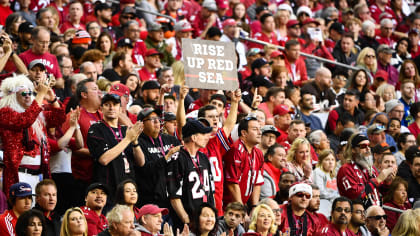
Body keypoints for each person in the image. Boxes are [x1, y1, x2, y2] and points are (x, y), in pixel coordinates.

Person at [0, 74, 64, 195]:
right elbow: (24, 121)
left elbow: (58, 118)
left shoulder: (36, 113)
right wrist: (40, 95)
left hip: (38, 174)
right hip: (18, 174)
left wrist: (53, 99)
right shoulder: (5, 112)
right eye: (24, 93)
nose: (29, 96)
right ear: (13, 95)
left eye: (31, 93)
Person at [87, 93, 145, 200]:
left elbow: (141, 162)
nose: (111, 107)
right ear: (101, 109)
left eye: (115, 104)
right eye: (107, 104)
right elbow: (104, 159)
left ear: (120, 109)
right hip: (108, 188)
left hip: (128, 185)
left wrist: (135, 142)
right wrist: (127, 139)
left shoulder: (125, 130)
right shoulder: (96, 129)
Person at [167, 119, 214, 228]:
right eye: (202, 134)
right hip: (189, 223)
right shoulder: (178, 158)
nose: (206, 137)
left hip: (206, 221)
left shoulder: (203, 158)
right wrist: (186, 221)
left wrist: (213, 216)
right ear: (193, 137)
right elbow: (174, 196)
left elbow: (211, 192)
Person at [135, 107, 181, 209]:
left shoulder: (171, 140)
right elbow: (145, 169)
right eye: (151, 119)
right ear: (141, 124)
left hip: (174, 198)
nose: (156, 121)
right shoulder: (138, 143)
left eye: (157, 118)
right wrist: (167, 157)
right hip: (150, 202)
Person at [337, 133, 396, 208]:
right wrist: (378, 180)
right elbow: (357, 197)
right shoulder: (345, 170)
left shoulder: (371, 168)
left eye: (368, 145)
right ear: (353, 150)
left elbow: (381, 193)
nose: (368, 149)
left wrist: (387, 182)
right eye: (363, 146)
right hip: (358, 214)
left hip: (376, 212)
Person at [223, 117, 264, 207]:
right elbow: (232, 183)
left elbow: (257, 182)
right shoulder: (236, 150)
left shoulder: (258, 153)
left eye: (260, 129)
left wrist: (254, 207)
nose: (260, 132)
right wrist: (241, 210)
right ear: (244, 133)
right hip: (229, 206)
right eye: (255, 129)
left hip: (243, 204)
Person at [312, 149, 340, 215]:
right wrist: (335, 195)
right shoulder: (318, 172)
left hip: (333, 201)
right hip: (322, 202)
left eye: (332, 160)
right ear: (321, 162)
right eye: (327, 160)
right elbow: (320, 192)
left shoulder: (334, 174)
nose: (330, 162)